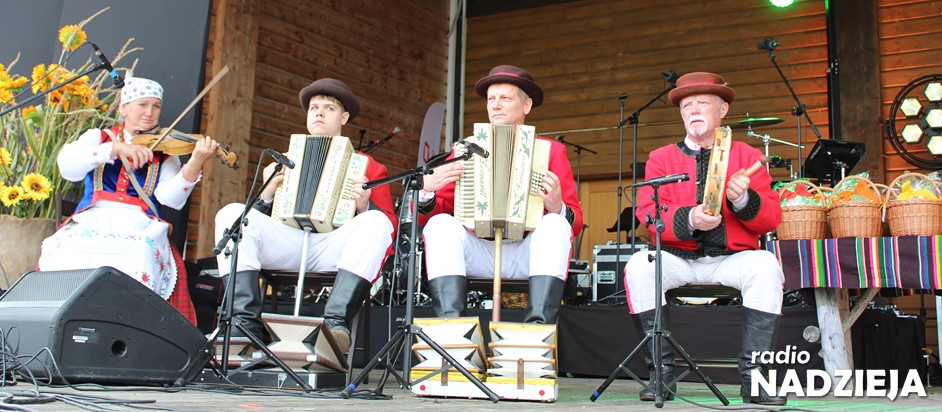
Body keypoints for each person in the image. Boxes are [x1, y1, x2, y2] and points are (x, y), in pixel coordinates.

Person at [623, 72, 786, 405]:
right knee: (640, 265)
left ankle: (754, 377)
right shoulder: (660, 158)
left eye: (702, 103)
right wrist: (690, 219)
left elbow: (772, 218)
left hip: (732, 258)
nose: (693, 110)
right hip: (679, 258)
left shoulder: (747, 155)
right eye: (687, 106)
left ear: (722, 110)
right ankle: (662, 375)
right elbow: (649, 215)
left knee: (767, 265)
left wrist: (743, 199)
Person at [214, 78, 395, 354]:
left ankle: (335, 324)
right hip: (288, 243)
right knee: (232, 213)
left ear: (344, 117)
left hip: (335, 247)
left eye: (329, 108)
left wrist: (364, 206)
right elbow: (253, 226)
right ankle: (243, 325)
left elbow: (389, 227)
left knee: (376, 221)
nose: (319, 113)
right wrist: (266, 196)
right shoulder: (285, 159)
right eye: (314, 108)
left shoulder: (368, 165)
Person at [39, 74, 221, 324]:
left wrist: (195, 164)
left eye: (156, 106)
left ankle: (124, 323)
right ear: (124, 108)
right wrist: (114, 149)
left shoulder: (164, 151)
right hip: (94, 217)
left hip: (140, 222)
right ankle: (67, 319)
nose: (150, 112)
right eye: (142, 104)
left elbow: (171, 200)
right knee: (69, 248)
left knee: (140, 253)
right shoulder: (98, 137)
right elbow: (67, 167)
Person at [418, 65, 583, 324]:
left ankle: (538, 329)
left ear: (526, 105)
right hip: (478, 251)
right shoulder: (466, 149)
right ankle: (451, 328)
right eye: (491, 99)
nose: (495, 105)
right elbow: (433, 214)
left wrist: (557, 206)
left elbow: (575, 223)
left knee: (555, 224)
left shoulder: (550, 151)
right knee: (440, 225)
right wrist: (427, 191)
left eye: (505, 98)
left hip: (528, 254)